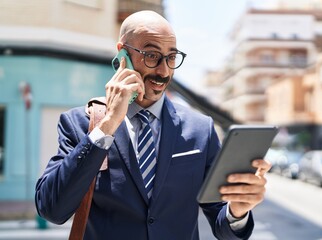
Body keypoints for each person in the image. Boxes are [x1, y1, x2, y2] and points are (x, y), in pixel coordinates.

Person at [35, 10, 271, 240]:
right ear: (122, 54)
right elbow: (52, 210)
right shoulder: (80, 124)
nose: (164, 71)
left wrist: (237, 211)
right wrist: (108, 125)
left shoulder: (201, 129)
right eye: (151, 55)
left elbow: (223, 227)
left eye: (171, 57)